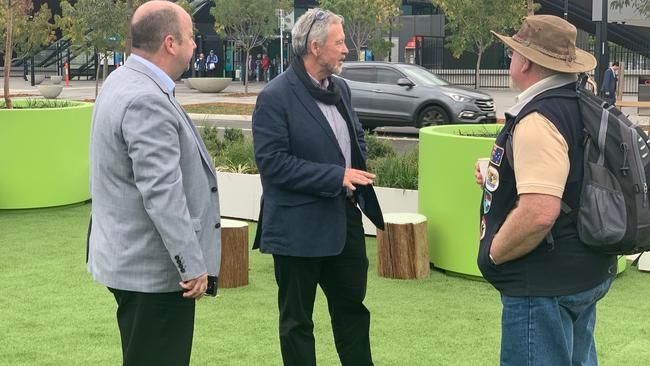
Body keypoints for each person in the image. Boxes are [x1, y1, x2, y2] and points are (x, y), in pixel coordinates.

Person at [475, 15, 616, 366]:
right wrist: (496, 170)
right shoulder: (579, 104)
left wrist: (493, 255)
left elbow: (539, 212)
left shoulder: (539, 119)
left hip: (543, 284)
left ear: (526, 62)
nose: (511, 60)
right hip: (583, 269)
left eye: (513, 53)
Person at [87, 1, 221, 365]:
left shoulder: (122, 79)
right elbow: (162, 194)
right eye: (191, 37)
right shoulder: (145, 97)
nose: (196, 46)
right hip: (155, 274)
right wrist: (192, 265)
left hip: (132, 265)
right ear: (170, 43)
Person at [252, 8, 384, 366]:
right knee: (297, 322)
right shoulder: (275, 96)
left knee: (353, 313)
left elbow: (354, 138)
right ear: (314, 46)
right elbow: (272, 164)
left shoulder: (340, 89)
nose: (347, 50)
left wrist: (354, 171)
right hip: (297, 231)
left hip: (344, 223)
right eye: (339, 43)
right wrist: (336, 175)